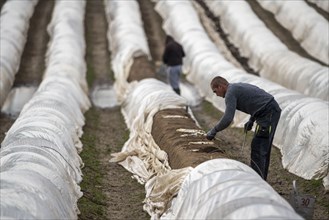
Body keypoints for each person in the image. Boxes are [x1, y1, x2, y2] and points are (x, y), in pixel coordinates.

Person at [206, 76, 281, 180]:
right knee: (262, 147)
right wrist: (251, 120)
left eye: (215, 91)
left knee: (259, 147)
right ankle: (261, 180)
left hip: (268, 113)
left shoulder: (230, 93)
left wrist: (214, 131)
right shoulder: (236, 87)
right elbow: (257, 99)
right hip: (269, 110)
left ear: (220, 86)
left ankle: (257, 182)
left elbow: (228, 118)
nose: (216, 95)